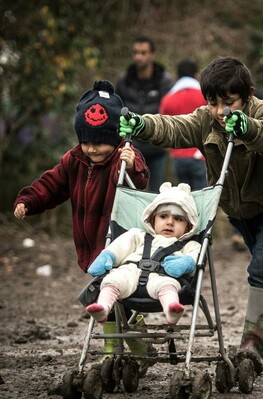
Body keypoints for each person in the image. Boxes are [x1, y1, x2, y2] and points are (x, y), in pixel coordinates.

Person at [118, 56, 263, 373]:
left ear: (247, 94)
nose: (221, 111)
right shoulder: (206, 120)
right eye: (212, 103)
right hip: (240, 210)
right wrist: (144, 124)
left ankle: (252, 346)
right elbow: (174, 127)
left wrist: (248, 128)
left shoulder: (262, 112)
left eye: (229, 102)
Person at [13, 80, 152, 368]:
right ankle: (141, 347)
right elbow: (51, 185)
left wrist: (133, 163)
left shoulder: (121, 159)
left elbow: (138, 182)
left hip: (120, 246)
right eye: (86, 141)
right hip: (91, 248)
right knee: (108, 298)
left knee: (106, 296)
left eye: (99, 141)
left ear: (114, 138)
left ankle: (118, 352)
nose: (92, 148)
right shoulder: (74, 160)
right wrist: (29, 200)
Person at [86, 182, 201, 326]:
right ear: (152, 220)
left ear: (189, 226)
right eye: (163, 216)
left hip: (162, 276)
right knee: (112, 280)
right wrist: (107, 256)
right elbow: (119, 247)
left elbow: (193, 259)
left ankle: (172, 310)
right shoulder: (137, 235)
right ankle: (103, 307)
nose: (170, 222)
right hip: (129, 272)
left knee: (168, 286)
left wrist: (185, 263)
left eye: (178, 219)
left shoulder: (190, 244)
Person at [116, 35, 174, 192]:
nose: (138, 57)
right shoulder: (124, 81)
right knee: (131, 193)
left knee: (156, 195)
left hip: (156, 147)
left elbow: (170, 113)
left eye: (143, 52)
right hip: (131, 148)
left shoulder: (165, 82)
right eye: (135, 52)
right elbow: (116, 111)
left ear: (152, 54)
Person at [159, 59, 208, 190]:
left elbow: (163, 129)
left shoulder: (168, 99)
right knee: (202, 198)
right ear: (196, 75)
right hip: (200, 156)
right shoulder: (205, 96)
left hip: (178, 158)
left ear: (177, 76)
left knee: (185, 199)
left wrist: (172, 151)